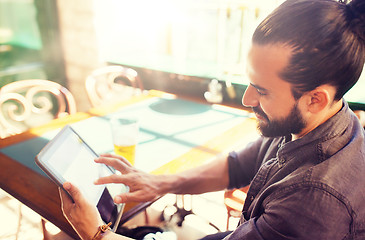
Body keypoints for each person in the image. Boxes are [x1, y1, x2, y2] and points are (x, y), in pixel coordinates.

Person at [59, 0, 365, 239]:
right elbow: (237, 165)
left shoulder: (317, 204)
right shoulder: (314, 119)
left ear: (315, 99)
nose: (248, 100)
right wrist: (158, 184)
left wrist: (95, 234)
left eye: (262, 91)